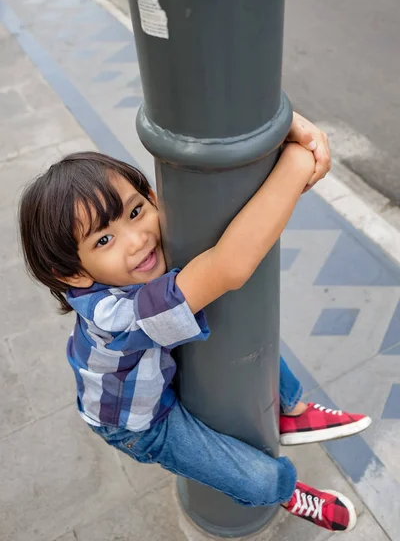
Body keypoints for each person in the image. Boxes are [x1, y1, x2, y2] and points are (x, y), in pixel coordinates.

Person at [19, 114, 370, 533]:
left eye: (135, 211)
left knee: (239, 329)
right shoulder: (121, 317)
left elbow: (208, 122)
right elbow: (229, 267)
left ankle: (290, 411)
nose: (138, 239)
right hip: (140, 422)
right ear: (74, 273)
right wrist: (295, 159)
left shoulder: (136, 263)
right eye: (104, 240)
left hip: (148, 365)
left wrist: (282, 123)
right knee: (252, 477)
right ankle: (287, 493)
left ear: (152, 196)